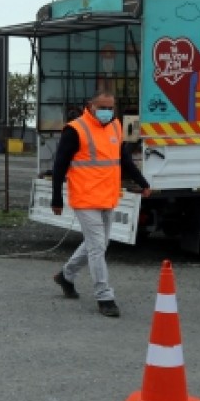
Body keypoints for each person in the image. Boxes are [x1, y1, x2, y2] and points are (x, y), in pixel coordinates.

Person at [50, 91, 152, 317]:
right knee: (97, 247)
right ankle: (104, 296)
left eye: (110, 107)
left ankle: (66, 276)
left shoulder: (115, 126)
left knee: (98, 244)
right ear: (90, 106)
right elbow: (59, 165)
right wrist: (56, 198)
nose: (107, 112)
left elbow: (124, 160)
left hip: (107, 196)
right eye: (102, 107)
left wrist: (143, 182)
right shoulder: (75, 129)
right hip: (85, 198)